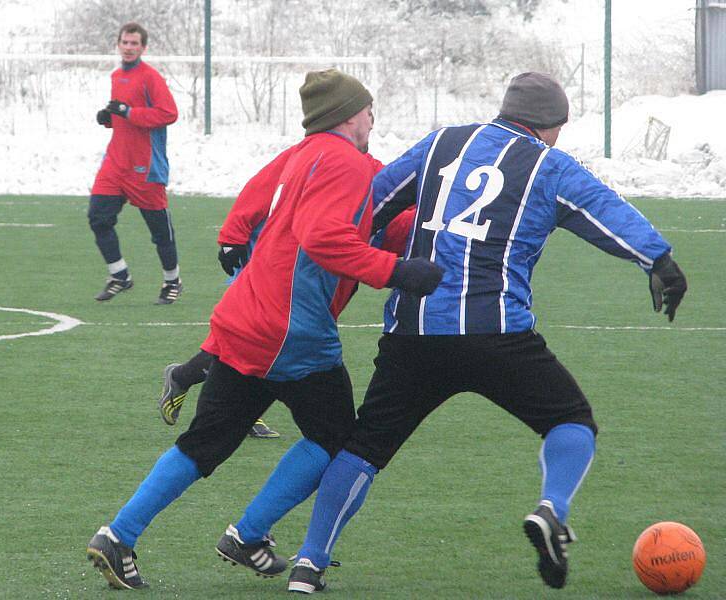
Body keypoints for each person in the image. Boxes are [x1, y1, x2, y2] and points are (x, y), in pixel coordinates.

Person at [286, 72, 688, 594]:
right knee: (571, 419)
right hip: (497, 335)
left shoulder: (442, 142)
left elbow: (371, 203)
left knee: (365, 447)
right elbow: (604, 211)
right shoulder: (549, 164)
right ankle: (552, 509)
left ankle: (309, 564)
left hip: (414, 330)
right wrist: (657, 259)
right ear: (550, 125)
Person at [85, 68, 442, 590]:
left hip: (248, 317)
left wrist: (417, 229)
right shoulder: (346, 161)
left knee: (207, 441)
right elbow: (325, 238)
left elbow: (367, 221)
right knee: (337, 437)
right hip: (291, 331)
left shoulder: (307, 154)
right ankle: (249, 532)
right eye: (368, 109)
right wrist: (399, 271)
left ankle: (118, 536)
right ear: (348, 114)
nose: (373, 118)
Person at [156, 138, 407, 439]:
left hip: (312, 273)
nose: (369, 122)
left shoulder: (371, 170)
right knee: (249, 334)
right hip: (273, 258)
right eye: (365, 114)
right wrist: (233, 235)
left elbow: (398, 220)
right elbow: (262, 185)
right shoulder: (314, 153)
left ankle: (193, 382)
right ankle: (220, 402)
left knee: (257, 338)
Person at [88, 22, 182, 305]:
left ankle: (172, 281)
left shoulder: (151, 77)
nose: (129, 48)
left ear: (143, 48)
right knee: (98, 218)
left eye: (134, 44)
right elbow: (125, 117)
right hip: (116, 163)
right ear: (118, 44)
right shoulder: (117, 76)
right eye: (125, 43)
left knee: (159, 232)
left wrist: (129, 112)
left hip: (145, 167)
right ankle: (120, 276)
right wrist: (109, 118)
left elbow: (168, 114)